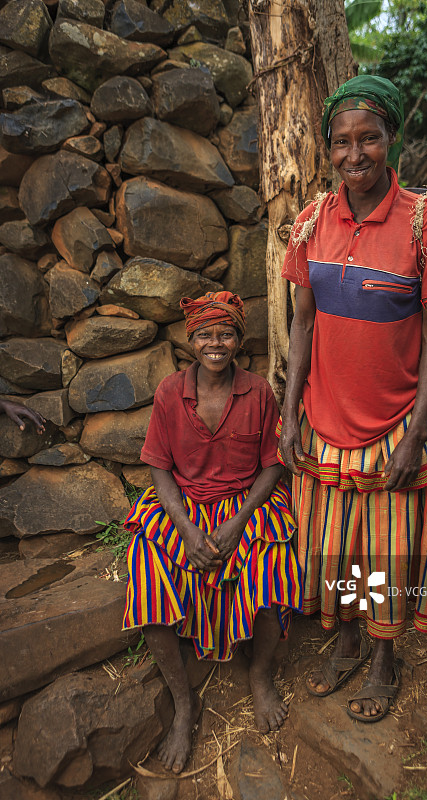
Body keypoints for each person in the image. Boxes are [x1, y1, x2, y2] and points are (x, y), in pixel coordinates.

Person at [278, 75, 427, 723]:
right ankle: (349, 636)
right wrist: (288, 413)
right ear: (327, 148)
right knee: (334, 545)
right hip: (325, 419)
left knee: (388, 548)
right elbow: (301, 323)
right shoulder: (311, 221)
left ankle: (386, 657)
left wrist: (416, 433)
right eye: (340, 142)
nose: (353, 154)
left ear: (391, 139)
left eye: (368, 139)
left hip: (395, 420)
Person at [122, 291, 302, 773]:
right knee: (148, 574)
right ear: (191, 341)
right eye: (205, 334)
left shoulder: (259, 392)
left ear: (240, 340)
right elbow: (159, 470)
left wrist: (238, 521)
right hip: (184, 507)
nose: (215, 343)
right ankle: (185, 704)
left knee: (272, 571)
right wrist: (184, 530)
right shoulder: (168, 393)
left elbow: (272, 466)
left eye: (226, 334)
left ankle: (260, 675)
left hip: (246, 506)